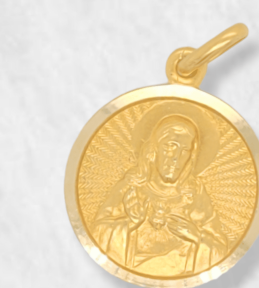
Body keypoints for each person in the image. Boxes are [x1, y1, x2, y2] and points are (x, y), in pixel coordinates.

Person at [92, 114, 227, 277]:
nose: (176, 157)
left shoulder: (195, 192)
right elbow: (96, 235)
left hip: (182, 277)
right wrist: (130, 224)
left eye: (185, 150)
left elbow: (221, 250)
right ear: (153, 149)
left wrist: (197, 236)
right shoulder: (132, 186)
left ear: (191, 156)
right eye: (170, 146)